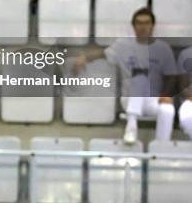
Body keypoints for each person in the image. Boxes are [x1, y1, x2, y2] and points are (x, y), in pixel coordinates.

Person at [76, 8, 183, 144]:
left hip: (153, 99)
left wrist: (166, 94)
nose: (143, 27)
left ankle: (162, 145)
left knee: (167, 110)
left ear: (152, 26)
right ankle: (131, 127)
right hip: (130, 99)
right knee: (140, 77)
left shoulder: (163, 48)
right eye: (139, 23)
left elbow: (172, 75)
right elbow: (103, 54)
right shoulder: (123, 45)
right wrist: (84, 57)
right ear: (133, 26)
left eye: (146, 23)